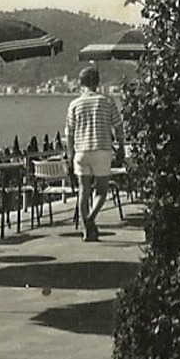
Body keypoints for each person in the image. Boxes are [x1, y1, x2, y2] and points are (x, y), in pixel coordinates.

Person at [63, 65, 124, 242]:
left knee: (84, 190)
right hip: (102, 149)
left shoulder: (74, 104)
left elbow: (69, 134)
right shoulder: (107, 101)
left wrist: (70, 154)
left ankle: (86, 230)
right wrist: (120, 146)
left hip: (81, 151)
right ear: (97, 83)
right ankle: (90, 219)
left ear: (81, 83)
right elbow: (118, 126)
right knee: (102, 191)